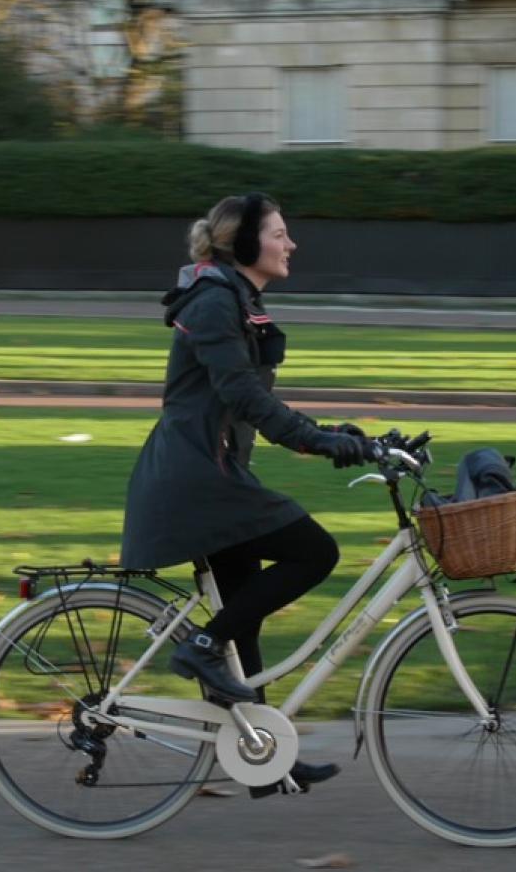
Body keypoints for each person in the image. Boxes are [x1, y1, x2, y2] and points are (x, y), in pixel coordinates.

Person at [120, 192, 368, 797]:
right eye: (279, 233)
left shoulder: (233, 297)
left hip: (214, 474)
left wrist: (337, 435)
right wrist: (321, 443)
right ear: (244, 243)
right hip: (198, 480)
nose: (290, 243)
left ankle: (263, 755)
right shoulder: (212, 302)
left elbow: (258, 406)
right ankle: (201, 647)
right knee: (315, 552)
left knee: (245, 616)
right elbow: (246, 400)